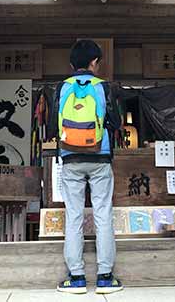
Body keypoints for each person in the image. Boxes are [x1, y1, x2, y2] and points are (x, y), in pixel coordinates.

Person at [50, 39, 124, 295]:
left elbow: (52, 126)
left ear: (72, 64)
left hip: (70, 158)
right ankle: (105, 277)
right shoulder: (104, 87)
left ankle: (77, 278)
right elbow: (116, 123)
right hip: (100, 158)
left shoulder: (62, 87)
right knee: (103, 214)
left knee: (74, 216)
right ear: (95, 62)